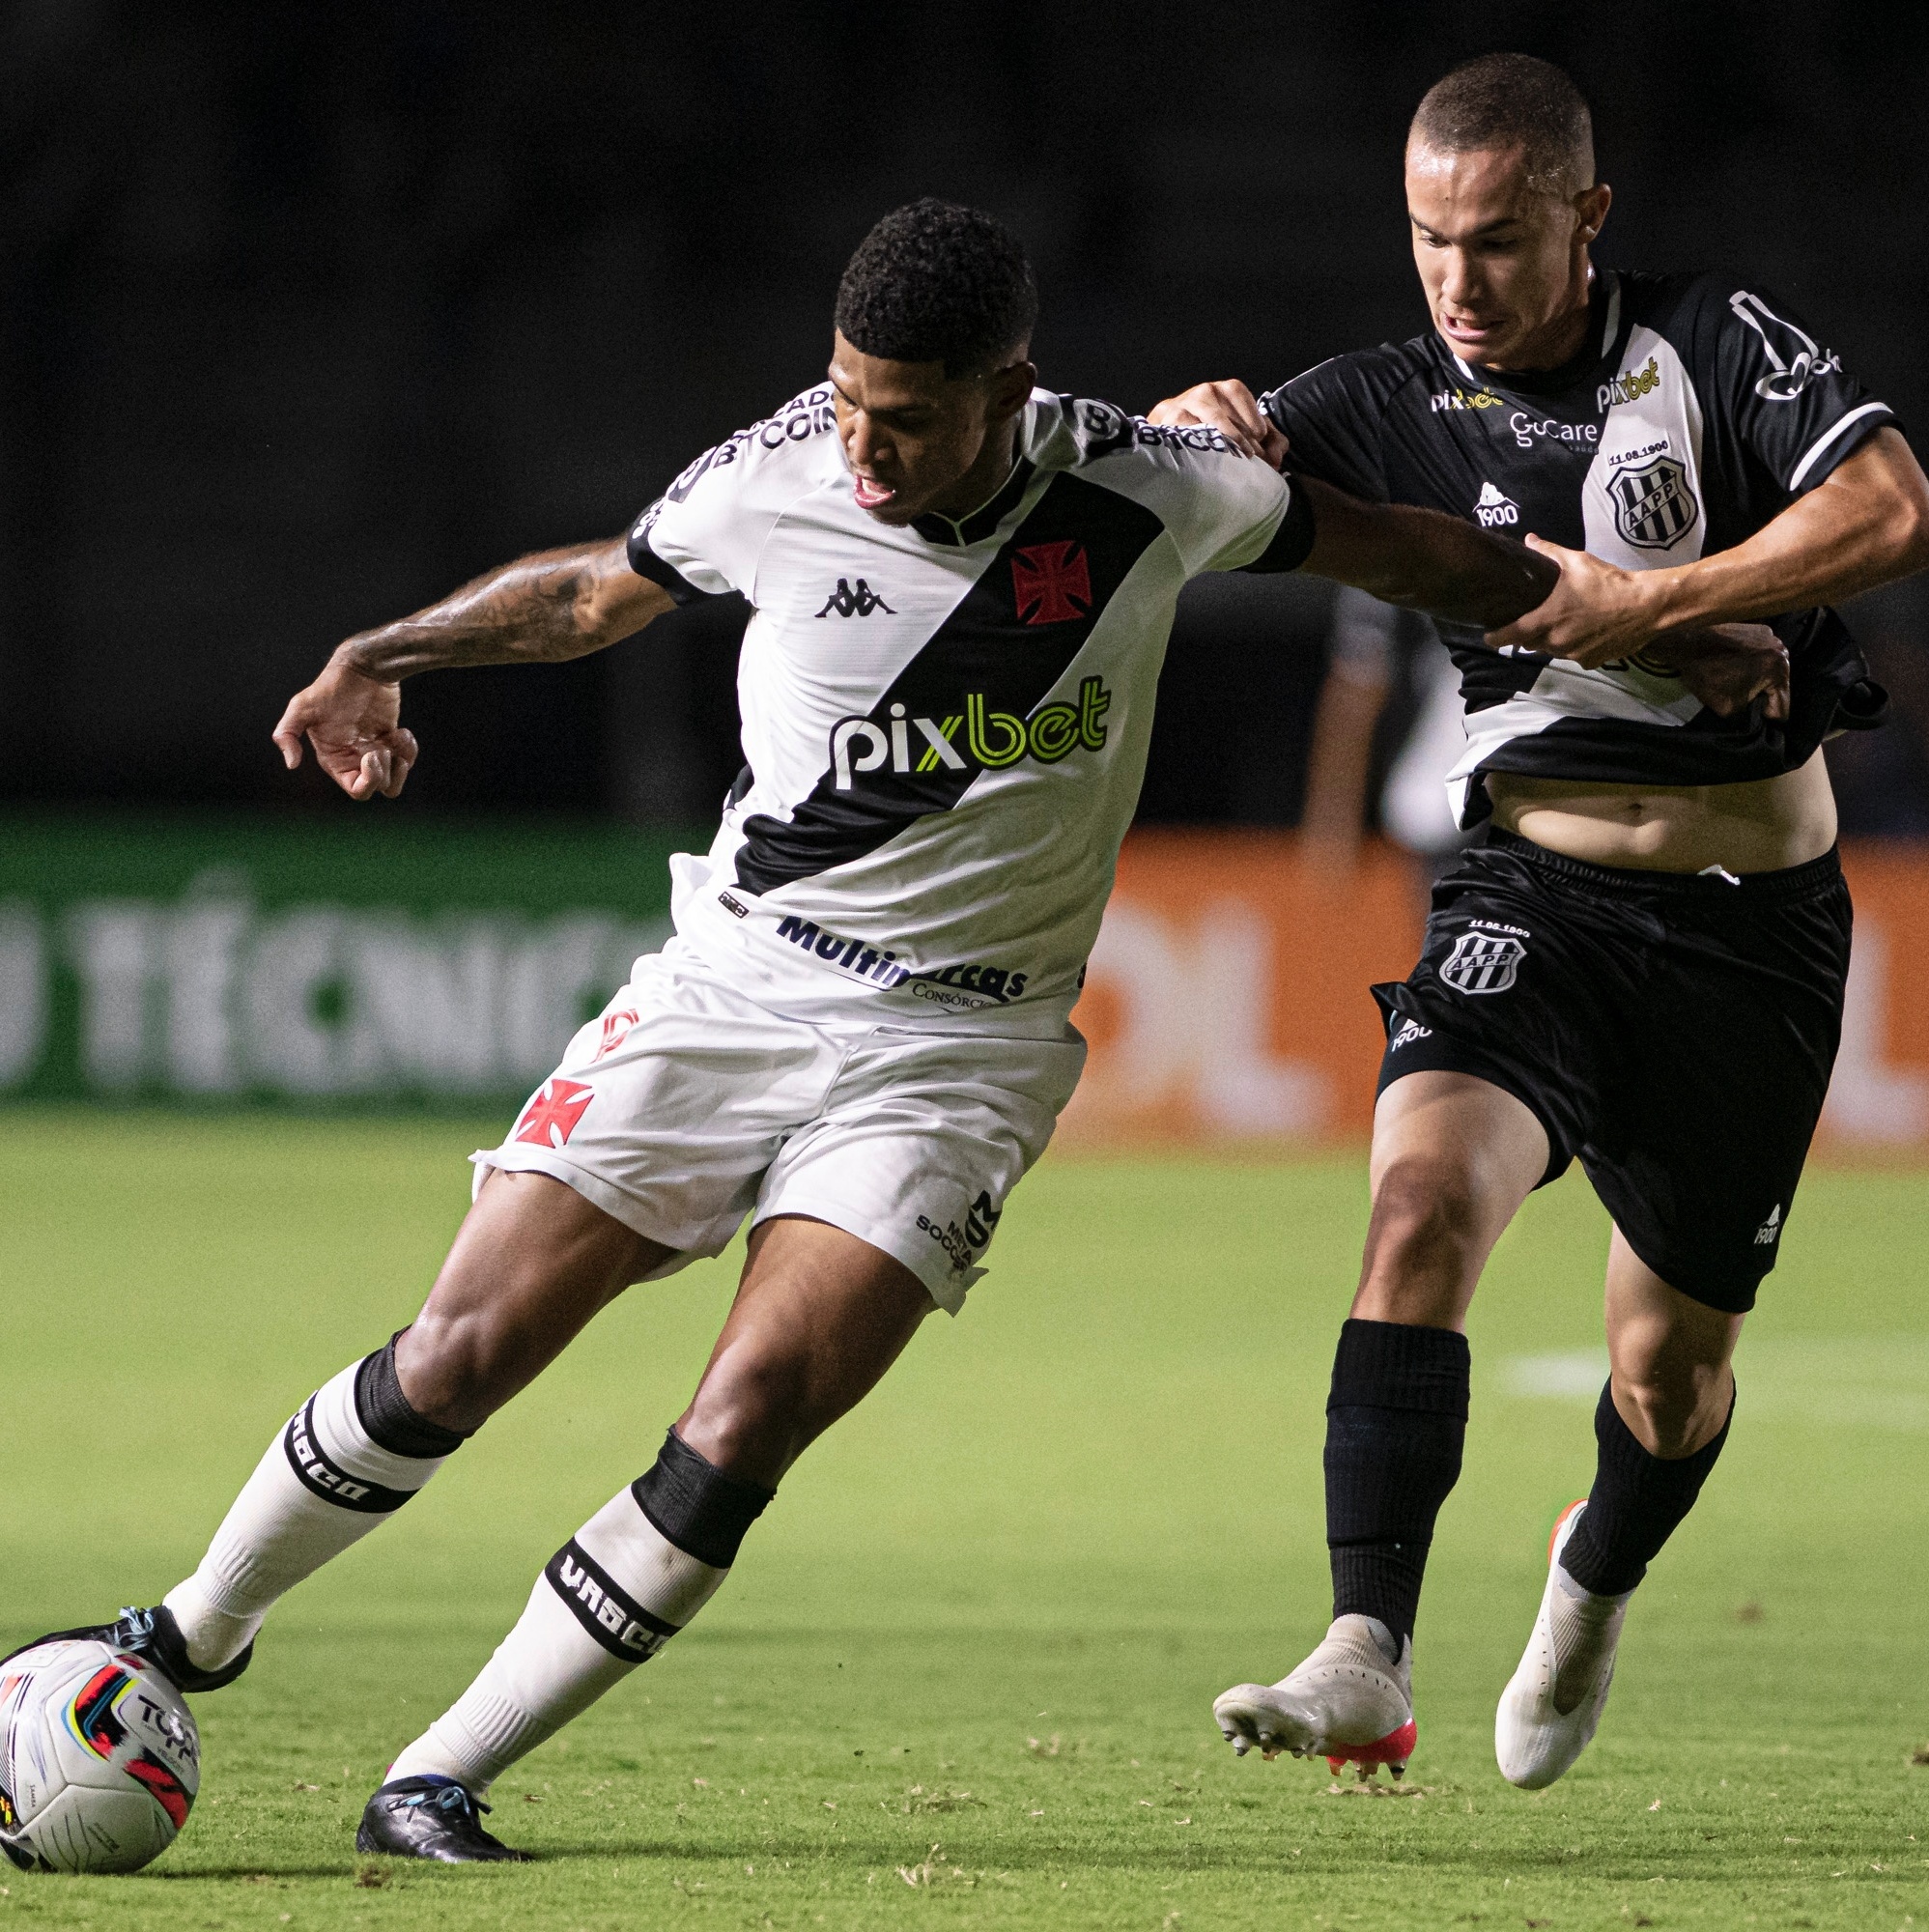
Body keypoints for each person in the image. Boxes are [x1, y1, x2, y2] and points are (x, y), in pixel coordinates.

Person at [4, 198, 1776, 1869]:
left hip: (959, 1059)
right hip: (732, 988)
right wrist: (381, 652)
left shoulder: (1153, 492)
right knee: (464, 1344)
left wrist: (1657, 639)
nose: (865, 449)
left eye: (909, 422)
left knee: (753, 1404)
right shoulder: (779, 475)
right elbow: (588, 590)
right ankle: (195, 1622)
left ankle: (438, 1773)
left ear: (1010, 394)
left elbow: (1415, 556)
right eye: (852, 405)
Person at [1153, 52, 1929, 1790]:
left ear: (1586, 219)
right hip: (1532, 894)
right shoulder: (1382, 395)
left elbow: (1891, 509)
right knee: (1420, 1199)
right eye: (1427, 241)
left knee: (1666, 1378)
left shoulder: (1711, 345)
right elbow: (1193, 484)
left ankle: (1589, 1582)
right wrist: (1191, 434)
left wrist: (1662, 600)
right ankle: (1365, 1645)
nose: (1457, 283)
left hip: (1753, 926)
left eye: (1497, 241)